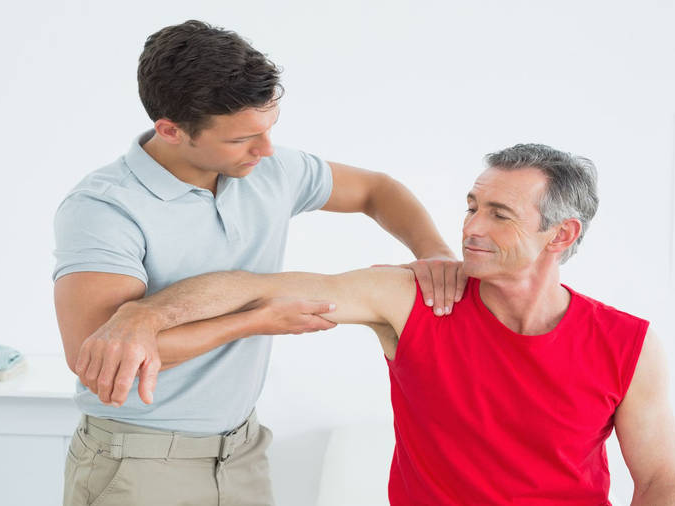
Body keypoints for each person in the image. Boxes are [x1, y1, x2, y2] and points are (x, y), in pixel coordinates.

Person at [79, 143, 675, 505]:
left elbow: (661, 479)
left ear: (561, 235)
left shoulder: (628, 343)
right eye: (471, 206)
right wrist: (143, 312)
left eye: (499, 214)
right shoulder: (412, 299)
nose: (471, 227)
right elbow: (258, 288)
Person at [54, 20, 464, 506]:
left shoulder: (268, 168)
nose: (265, 149)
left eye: (269, 128)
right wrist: (255, 321)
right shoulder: (105, 207)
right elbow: (97, 356)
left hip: (241, 449)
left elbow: (377, 190)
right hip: (139, 461)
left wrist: (434, 252)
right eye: (241, 139)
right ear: (170, 130)